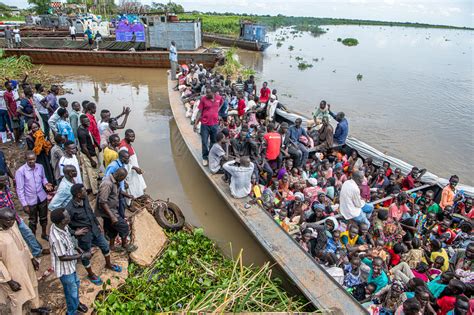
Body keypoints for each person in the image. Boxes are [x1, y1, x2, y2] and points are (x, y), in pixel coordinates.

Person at [66, 184, 122, 285]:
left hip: (95, 230)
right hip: (84, 236)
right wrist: (75, 232)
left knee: (105, 246)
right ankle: (91, 274)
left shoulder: (85, 199)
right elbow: (63, 226)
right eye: (84, 191)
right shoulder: (69, 209)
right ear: (78, 195)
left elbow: (90, 213)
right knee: (86, 255)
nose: (86, 192)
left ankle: (108, 264)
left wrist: (97, 223)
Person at [0, 207, 51, 315]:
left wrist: (32, 258)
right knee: (17, 299)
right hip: (12, 271)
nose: (12, 222)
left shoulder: (13, 225)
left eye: (13, 219)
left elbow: (23, 242)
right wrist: (9, 280)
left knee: (33, 285)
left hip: (25, 262)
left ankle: (35, 307)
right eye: (8, 220)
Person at [49, 208, 90, 315]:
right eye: (67, 216)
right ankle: (71, 312)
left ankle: (76, 304)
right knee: (70, 291)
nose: (69, 216)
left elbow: (69, 239)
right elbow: (62, 257)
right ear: (62, 221)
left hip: (70, 266)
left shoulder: (63, 226)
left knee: (75, 284)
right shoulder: (56, 238)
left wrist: (77, 248)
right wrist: (82, 255)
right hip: (65, 270)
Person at [15, 151, 53, 241]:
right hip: (30, 200)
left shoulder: (40, 167)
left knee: (44, 218)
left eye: (33, 159)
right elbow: (20, 189)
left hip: (42, 197)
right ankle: (33, 239)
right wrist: (24, 204)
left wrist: (46, 184)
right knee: (33, 221)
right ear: (26, 160)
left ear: (36, 158)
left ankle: (44, 233)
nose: (32, 161)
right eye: (29, 160)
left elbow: (43, 178)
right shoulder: (20, 171)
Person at [96, 168, 136, 252]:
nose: (123, 180)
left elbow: (119, 191)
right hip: (108, 211)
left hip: (112, 209)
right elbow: (102, 202)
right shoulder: (107, 184)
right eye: (123, 178)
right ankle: (124, 245)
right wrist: (112, 216)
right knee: (124, 227)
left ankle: (111, 246)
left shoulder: (115, 181)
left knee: (112, 228)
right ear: (119, 176)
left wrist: (128, 195)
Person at [194, 87, 222, 166]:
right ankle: (205, 157)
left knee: (213, 141)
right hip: (205, 124)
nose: (206, 94)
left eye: (208, 92)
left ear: (213, 93)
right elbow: (199, 112)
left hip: (215, 124)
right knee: (204, 141)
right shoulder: (203, 99)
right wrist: (195, 124)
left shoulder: (219, 98)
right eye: (206, 92)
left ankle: (210, 155)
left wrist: (217, 113)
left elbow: (222, 103)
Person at [25, 120, 55, 184]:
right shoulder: (29, 137)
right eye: (33, 128)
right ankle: (46, 185)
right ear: (30, 128)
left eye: (37, 127)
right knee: (43, 170)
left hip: (45, 154)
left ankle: (52, 182)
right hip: (38, 156)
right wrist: (39, 145)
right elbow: (31, 148)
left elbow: (47, 142)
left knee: (49, 168)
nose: (36, 129)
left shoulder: (41, 133)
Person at [119, 129, 146, 199]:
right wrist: (135, 168)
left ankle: (138, 196)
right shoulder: (123, 146)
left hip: (133, 168)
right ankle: (130, 202)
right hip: (129, 170)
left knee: (137, 183)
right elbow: (124, 161)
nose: (133, 138)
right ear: (126, 136)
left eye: (133, 136)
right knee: (131, 186)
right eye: (131, 137)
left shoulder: (127, 142)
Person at [77, 115, 99, 194]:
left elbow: (91, 135)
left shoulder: (84, 128)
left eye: (88, 121)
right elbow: (84, 148)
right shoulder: (81, 132)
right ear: (82, 122)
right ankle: (95, 191)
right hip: (88, 154)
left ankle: (88, 188)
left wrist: (98, 145)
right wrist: (91, 160)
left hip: (86, 153)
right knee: (93, 173)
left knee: (86, 172)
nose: (88, 123)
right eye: (86, 122)